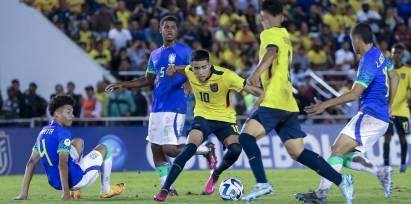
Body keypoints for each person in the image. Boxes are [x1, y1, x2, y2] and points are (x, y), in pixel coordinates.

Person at [238, 0, 354, 203]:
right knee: (297, 152)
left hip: (275, 101)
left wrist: (255, 73)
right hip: (288, 102)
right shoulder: (285, 35)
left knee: (246, 137)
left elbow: (271, 52)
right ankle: (341, 180)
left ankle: (262, 183)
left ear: (262, 17)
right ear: (281, 17)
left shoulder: (268, 34)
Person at [105, 15, 216, 195]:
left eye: (173, 27)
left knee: (169, 149)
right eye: (166, 27)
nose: (170, 30)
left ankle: (205, 150)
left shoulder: (186, 52)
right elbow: (148, 79)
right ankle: (169, 187)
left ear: (177, 30)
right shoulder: (155, 55)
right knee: (156, 148)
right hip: (157, 107)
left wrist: (189, 83)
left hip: (175, 105)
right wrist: (123, 84)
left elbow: (200, 71)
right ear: (160, 30)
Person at [295, 22, 400, 203]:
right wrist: (390, 105)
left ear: (358, 40)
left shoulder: (368, 60)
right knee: (343, 155)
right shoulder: (379, 55)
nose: (352, 44)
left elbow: (354, 94)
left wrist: (324, 105)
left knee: (335, 151)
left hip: (370, 115)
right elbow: (395, 76)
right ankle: (379, 171)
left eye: (352, 40)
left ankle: (321, 195)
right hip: (380, 118)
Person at [153, 49, 264, 202]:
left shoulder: (227, 76)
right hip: (203, 117)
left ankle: (215, 174)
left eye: (203, 67)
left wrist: (267, 95)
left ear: (210, 65)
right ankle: (164, 190)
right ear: (192, 67)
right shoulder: (189, 70)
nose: (199, 72)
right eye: (196, 68)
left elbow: (251, 89)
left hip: (225, 119)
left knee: (236, 149)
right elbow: (181, 69)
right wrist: (172, 70)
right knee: (188, 149)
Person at [14, 95, 125, 201]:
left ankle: (75, 192)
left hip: (55, 183)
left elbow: (31, 162)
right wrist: (66, 194)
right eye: (68, 112)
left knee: (78, 142)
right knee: (105, 147)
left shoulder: (42, 132)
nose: (72, 115)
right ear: (57, 113)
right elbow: (62, 163)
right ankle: (106, 190)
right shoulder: (63, 133)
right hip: (76, 180)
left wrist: (23, 193)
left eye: (72, 112)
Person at [384, 43, 411, 173]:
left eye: (399, 53)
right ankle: (386, 165)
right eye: (394, 52)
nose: (397, 55)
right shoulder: (386, 70)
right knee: (387, 137)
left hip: (403, 110)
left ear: (403, 55)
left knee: (402, 137)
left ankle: (403, 164)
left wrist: (410, 101)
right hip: (388, 110)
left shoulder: (408, 71)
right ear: (391, 54)